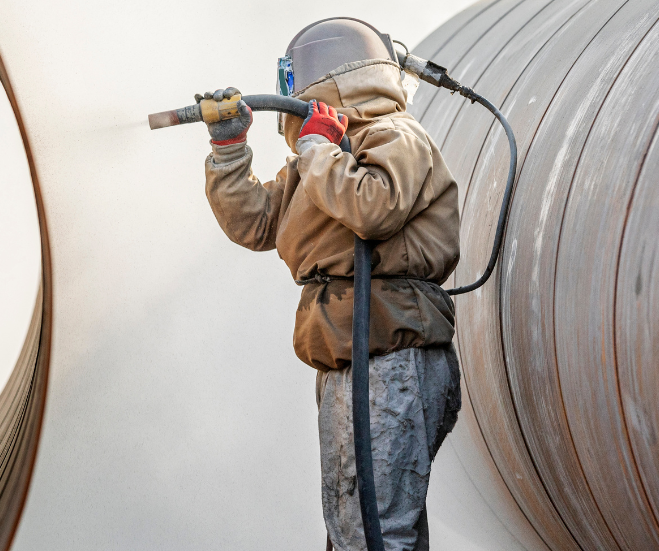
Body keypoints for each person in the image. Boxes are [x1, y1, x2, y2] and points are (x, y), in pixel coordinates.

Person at [197, 18, 462, 551]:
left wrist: (322, 151)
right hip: (354, 347)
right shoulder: (314, 164)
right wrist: (229, 152)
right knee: (360, 521)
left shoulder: (393, 136)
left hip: (390, 351)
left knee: (370, 527)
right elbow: (257, 222)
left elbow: (373, 207)